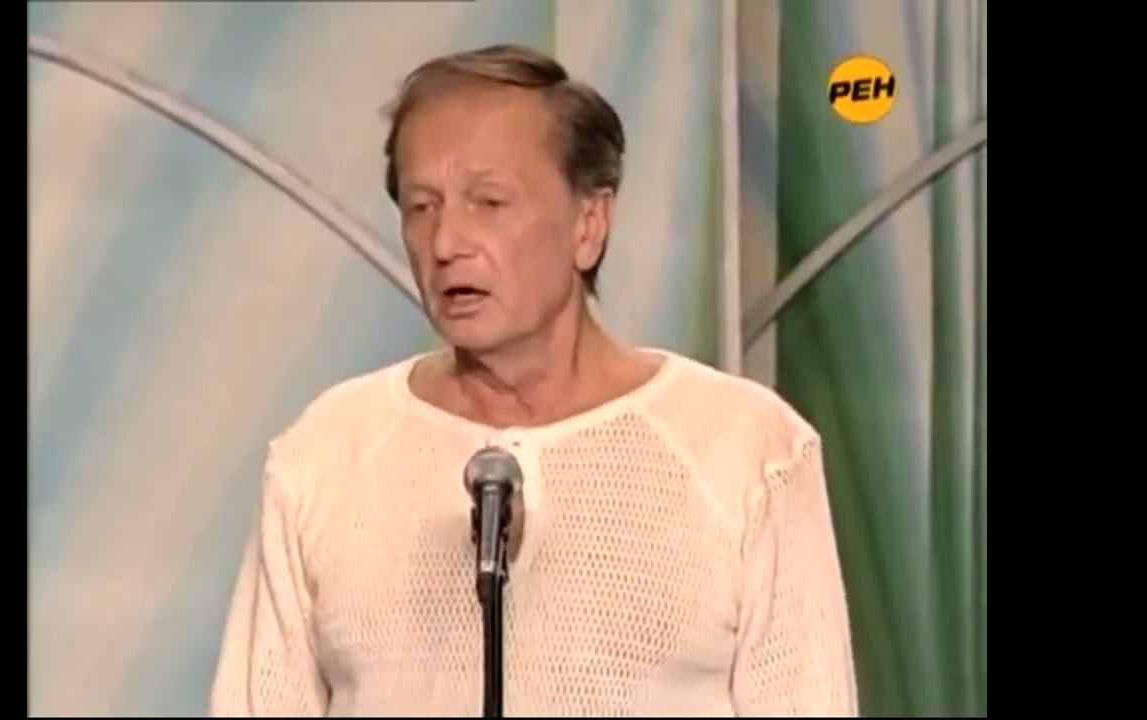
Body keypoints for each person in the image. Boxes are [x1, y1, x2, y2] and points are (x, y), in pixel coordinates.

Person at [210, 43, 857, 717]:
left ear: (588, 224)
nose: (445, 244)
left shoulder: (747, 450)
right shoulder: (326, 454)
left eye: (489, 202)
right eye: (422, 207)